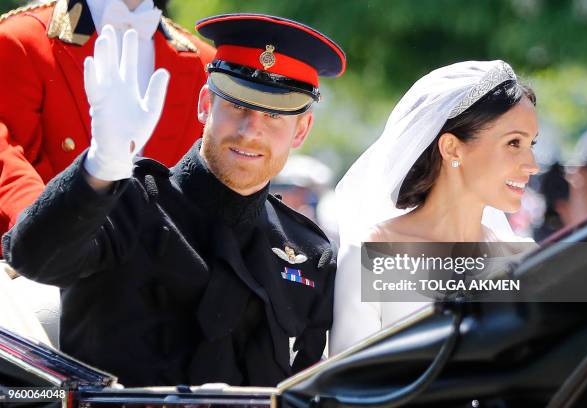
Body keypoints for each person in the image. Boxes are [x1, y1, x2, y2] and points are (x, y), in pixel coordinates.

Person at [2, 13, 345, 386]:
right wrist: (100, 164)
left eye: (274, 116)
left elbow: (308, 388)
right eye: (237, 106)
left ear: (301, 131)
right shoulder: (125, 204)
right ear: (204, 104)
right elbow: (32, 257)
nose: (251, 132)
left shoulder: (309, 255)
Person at [330, 60, 539, 354]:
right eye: (514, 143)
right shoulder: (369, 255)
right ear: (452, 148)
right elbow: (350, 388)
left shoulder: (524, 259)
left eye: (532, 144)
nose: (532, 166)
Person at [0, 0, 215, 248]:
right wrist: (54, 240)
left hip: (164, 275)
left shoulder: (204, 66)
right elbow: (8, 167)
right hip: (52, 271)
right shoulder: (21, 41)